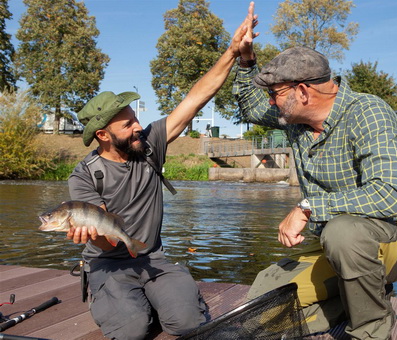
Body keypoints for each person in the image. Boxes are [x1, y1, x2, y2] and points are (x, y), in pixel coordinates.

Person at [66, 3, 258, 339]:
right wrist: (89, 231)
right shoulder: (85, 174)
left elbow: (196, 97)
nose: (139, 126)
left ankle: (162, 295)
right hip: (109, 264)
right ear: (103, 135)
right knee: (132, 330)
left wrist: (231, 52)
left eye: (136, 118)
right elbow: (98, 223)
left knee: (185, 324)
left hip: (154, 257)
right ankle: (125, 301)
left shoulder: (150, 145)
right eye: (128, 124)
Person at [233, 32, 397, 339]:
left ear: (303, 91)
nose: (270, 101)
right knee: (260, 314)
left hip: (393, 241)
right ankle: (358, 299)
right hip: (330, 246)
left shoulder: (368, 112)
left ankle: (370, 331)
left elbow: (392, 197)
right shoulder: (294, 120)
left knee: (342, 232)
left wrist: (307, 207)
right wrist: (246, 59)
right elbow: (251, 107)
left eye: (276, 93)